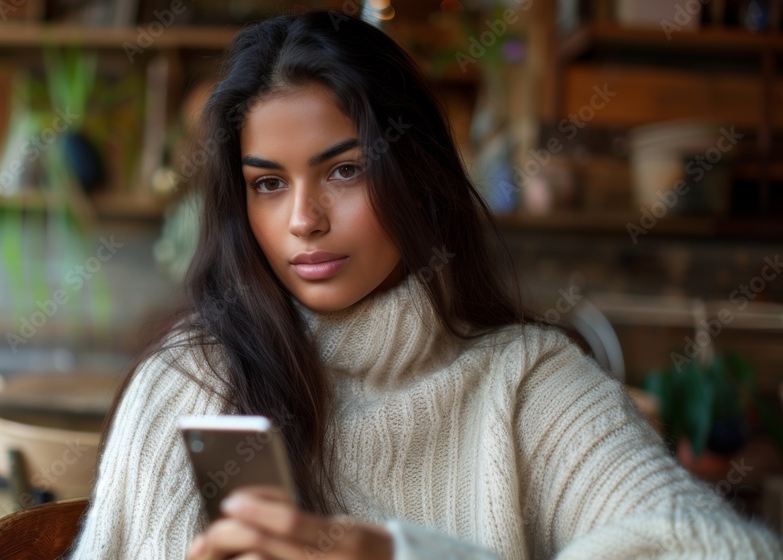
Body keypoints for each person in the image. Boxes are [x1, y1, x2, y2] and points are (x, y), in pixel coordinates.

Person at [70, 11, 783, 560]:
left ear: (415, 175)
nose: (303, 221)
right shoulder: (189, 379)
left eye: (344, 170)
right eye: (267, 183)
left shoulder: (527, 383)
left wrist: (400, 554)